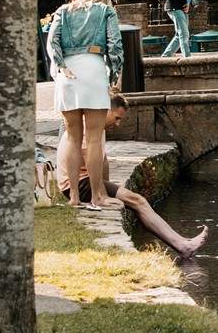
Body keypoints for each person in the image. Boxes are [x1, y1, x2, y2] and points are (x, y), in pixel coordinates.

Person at [56, 94, 208, 258]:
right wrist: (101, 194)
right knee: (138, 201)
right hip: (80, 184)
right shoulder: (90, 129)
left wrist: (107, 190)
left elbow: (102, 163)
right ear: (106, 110)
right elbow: (89, 163)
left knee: (137, 201)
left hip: (84, 181)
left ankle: (181, 242)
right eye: (116, 118)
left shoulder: (96, 127)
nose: (118, 123)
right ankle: (183, 246)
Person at [47, 0, 125, 211]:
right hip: (93, 69)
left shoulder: (63, 10)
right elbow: (115, 45)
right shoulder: (106, 11)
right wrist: (114, 74)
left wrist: (61, 66)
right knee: (93, 139)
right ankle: (96, 196)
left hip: (67, 75)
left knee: (72, 137)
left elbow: (52, 42)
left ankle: (73, 196)